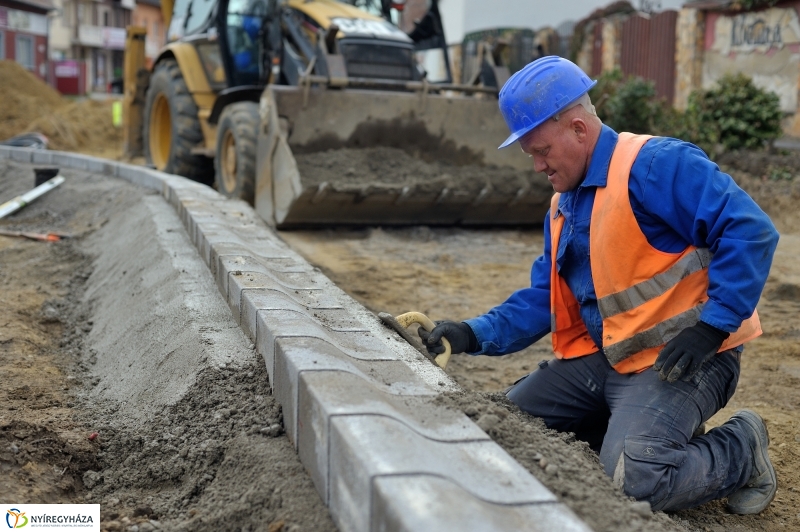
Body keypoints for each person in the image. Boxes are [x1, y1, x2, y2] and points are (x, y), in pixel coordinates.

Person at [419, 56, 780, 514]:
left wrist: (712, 327)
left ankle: (741, 447)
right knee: (501, 425)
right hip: (606, 361)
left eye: (540, 150)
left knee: (636, 482)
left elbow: (750, 229)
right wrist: (470, 333)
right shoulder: (562, 208)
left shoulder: (656, 165)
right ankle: (634, 429)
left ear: (578, 129)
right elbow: (542, 300)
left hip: (687, 360)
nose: (536, 166)